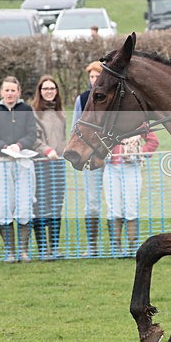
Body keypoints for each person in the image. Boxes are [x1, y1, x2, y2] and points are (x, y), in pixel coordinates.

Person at [0, 76, 37, 263]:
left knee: (24, 205)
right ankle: (10, 251)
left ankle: (23, 251)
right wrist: (5, 147)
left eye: (13, 90)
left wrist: (19, 145)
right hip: (2, 162)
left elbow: (32, 134)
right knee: (3, 205)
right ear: (2, 92)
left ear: (18, 92)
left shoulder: (26, 110)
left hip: (23, 161)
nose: (9, 94)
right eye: (6, 90)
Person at [103, 130, 159, 255]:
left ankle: (133, 246)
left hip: (132, 167)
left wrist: (139, 152)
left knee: (131, 208)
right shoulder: (108, 122)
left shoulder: (139, 122)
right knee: (113, 208)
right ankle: (115, 247)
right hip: (111, 167)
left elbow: (153, 141)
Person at [31, 75, 66, 260]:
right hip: (41, 164)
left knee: (56, 206)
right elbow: (34, 138)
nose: (49, 92)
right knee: (40, 206)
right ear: (40, 91)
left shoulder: (61, 113)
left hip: (58, 164)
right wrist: (47, 150)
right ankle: (42, 249)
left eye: (52, 88)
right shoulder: (34, 113)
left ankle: (54, 248)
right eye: (45, 89)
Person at [72, 61, 104, 256]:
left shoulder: (111, 97)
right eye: (91, 77)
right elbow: (75, 127)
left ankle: (118, 245)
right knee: (92, 204)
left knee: (115, 204)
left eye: (97, 76)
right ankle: (92, 246)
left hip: (111, 158)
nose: (93, 80)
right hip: (90, 159)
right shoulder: (82, 99)